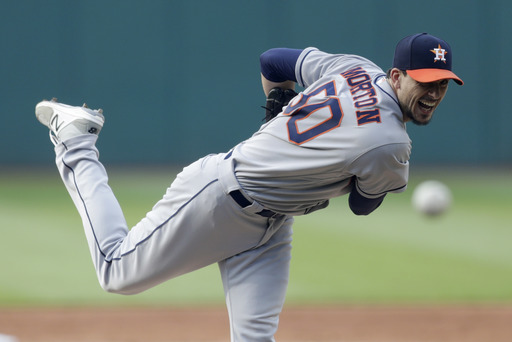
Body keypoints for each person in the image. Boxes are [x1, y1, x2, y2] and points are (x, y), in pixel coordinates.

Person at [35, 32, 463, 341]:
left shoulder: (353, 67)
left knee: (254, 339)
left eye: (443, 83)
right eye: (426, 81)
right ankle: (76, 140)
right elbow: (362, 206)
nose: (435, 91)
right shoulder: (391, 144)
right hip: (219, 200)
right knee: (115, 272)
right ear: (397, 76)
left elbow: (273, 60)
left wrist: (277, 110)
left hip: (271, 226)